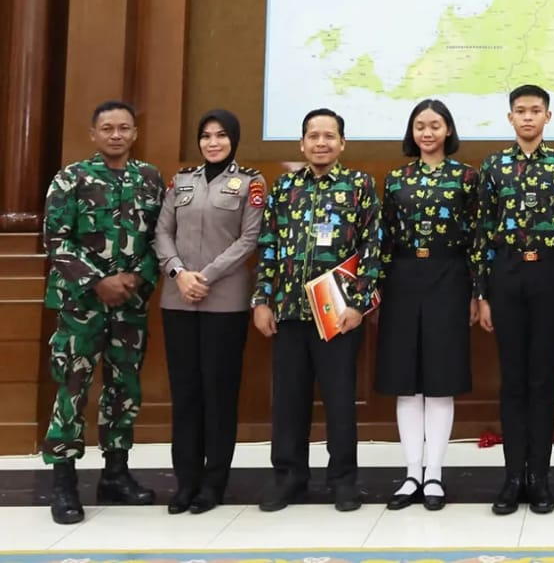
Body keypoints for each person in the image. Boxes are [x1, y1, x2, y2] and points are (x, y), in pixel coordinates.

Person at [41, 100, 166, 525]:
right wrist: (99, 281)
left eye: (124, 128)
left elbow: (160, 240)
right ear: (93, 134)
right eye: (107, 128)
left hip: (129, 307)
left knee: (124, 389)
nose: (116, 134)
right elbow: (56, 240)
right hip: (81, 306)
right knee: (72, 389)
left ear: (134, 133)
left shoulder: (149, 179)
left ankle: (116, 474)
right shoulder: (71, 178)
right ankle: (63, 483)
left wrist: (136, 280)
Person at [251, 108, 382, 513]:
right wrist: (262, 300)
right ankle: (288, 478)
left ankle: (343, 480)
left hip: (337, 313)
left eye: (329, 136)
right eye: (313, 135)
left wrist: (359, 304)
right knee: (289, 401)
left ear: (342, 143)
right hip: (289, 311)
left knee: (341, 401)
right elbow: (269, 247)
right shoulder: (286, 186)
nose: (321, 143)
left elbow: (372, 249)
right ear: (302, 143)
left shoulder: (359, 186)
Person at [475, 84, 554, 516]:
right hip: (506, 273)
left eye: (535, 111)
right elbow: (483, 232)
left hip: (551, 274)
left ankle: (539, 476)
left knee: (542, 378)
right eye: (520, 111)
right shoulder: (494, 166)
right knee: (513, 379)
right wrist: (482, 294)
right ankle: (512, 476)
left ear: (548, 117)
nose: (527, 118)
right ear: (510, 118)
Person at [153, 109, 266, 515]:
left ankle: (213, 483)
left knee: (218, 393)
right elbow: (162, 231)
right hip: (178, 298)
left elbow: (249, 238)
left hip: (225, 301)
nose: (213, 142)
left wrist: (207, 275)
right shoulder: (181, 181)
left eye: (221, 135)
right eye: (206, 135)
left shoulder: (251, 182)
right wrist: (180, 273)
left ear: (234, 139)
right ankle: (185, 482)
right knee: (185, 393)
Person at [377, 99, 479, 511]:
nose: (428, 132)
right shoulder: (396, 178)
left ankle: (435, 474)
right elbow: (384, 237)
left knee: (440, 378)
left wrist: (477, 292)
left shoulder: (467, 177)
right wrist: (378, 288)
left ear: (449, 131)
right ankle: (411, 472)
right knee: (406, 379)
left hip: (449, 277)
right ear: (411, 131)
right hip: (402, 278)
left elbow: (477, 239)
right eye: (420, 125)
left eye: (435, 125)